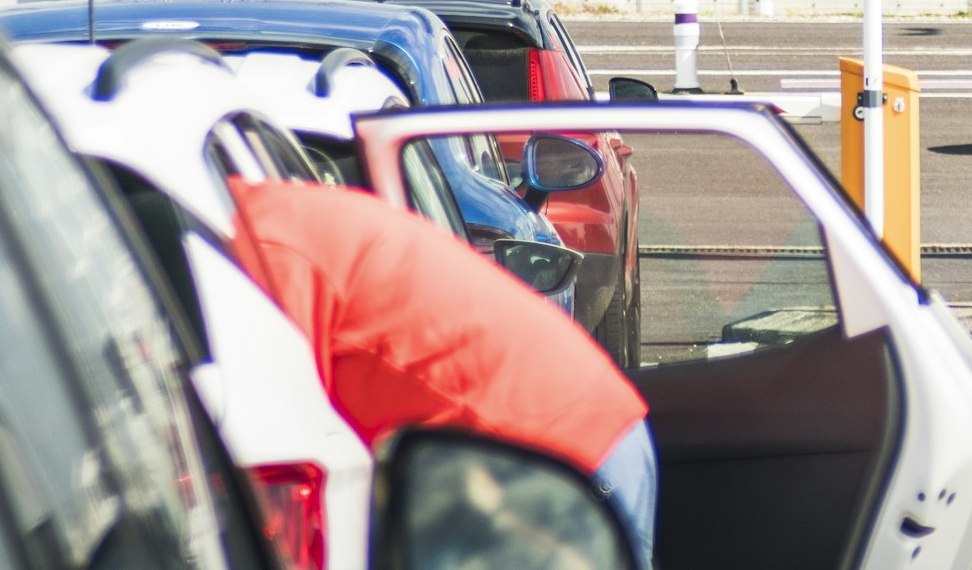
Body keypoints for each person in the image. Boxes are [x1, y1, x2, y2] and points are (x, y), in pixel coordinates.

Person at [224, 175, 657, 559]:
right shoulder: (284, 219)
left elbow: (273, 452)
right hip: (570, 433)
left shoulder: (264, 252)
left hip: (550, 460)